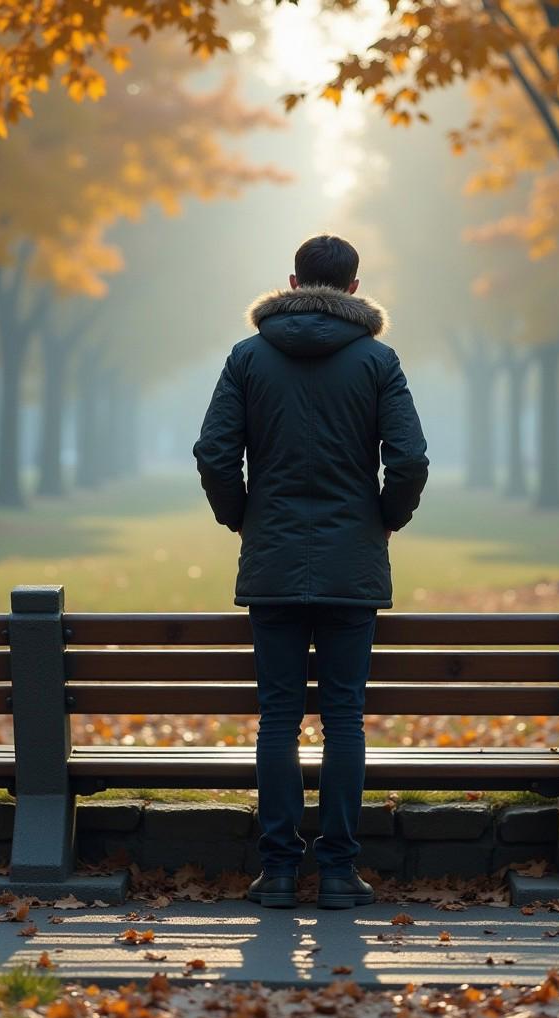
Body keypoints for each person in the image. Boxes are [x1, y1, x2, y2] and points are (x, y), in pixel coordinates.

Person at [193, 234, 429, 909]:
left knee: (278, 718)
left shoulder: (247, 358)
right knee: (344, 716)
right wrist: (384, 517)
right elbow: (409, 459)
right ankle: (336, 870)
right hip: (351, 564)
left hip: (272, 562)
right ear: (353, 289)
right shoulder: (378, 361)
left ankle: (275, 871)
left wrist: (242, 516)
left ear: (292, 282)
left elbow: (214, 452)